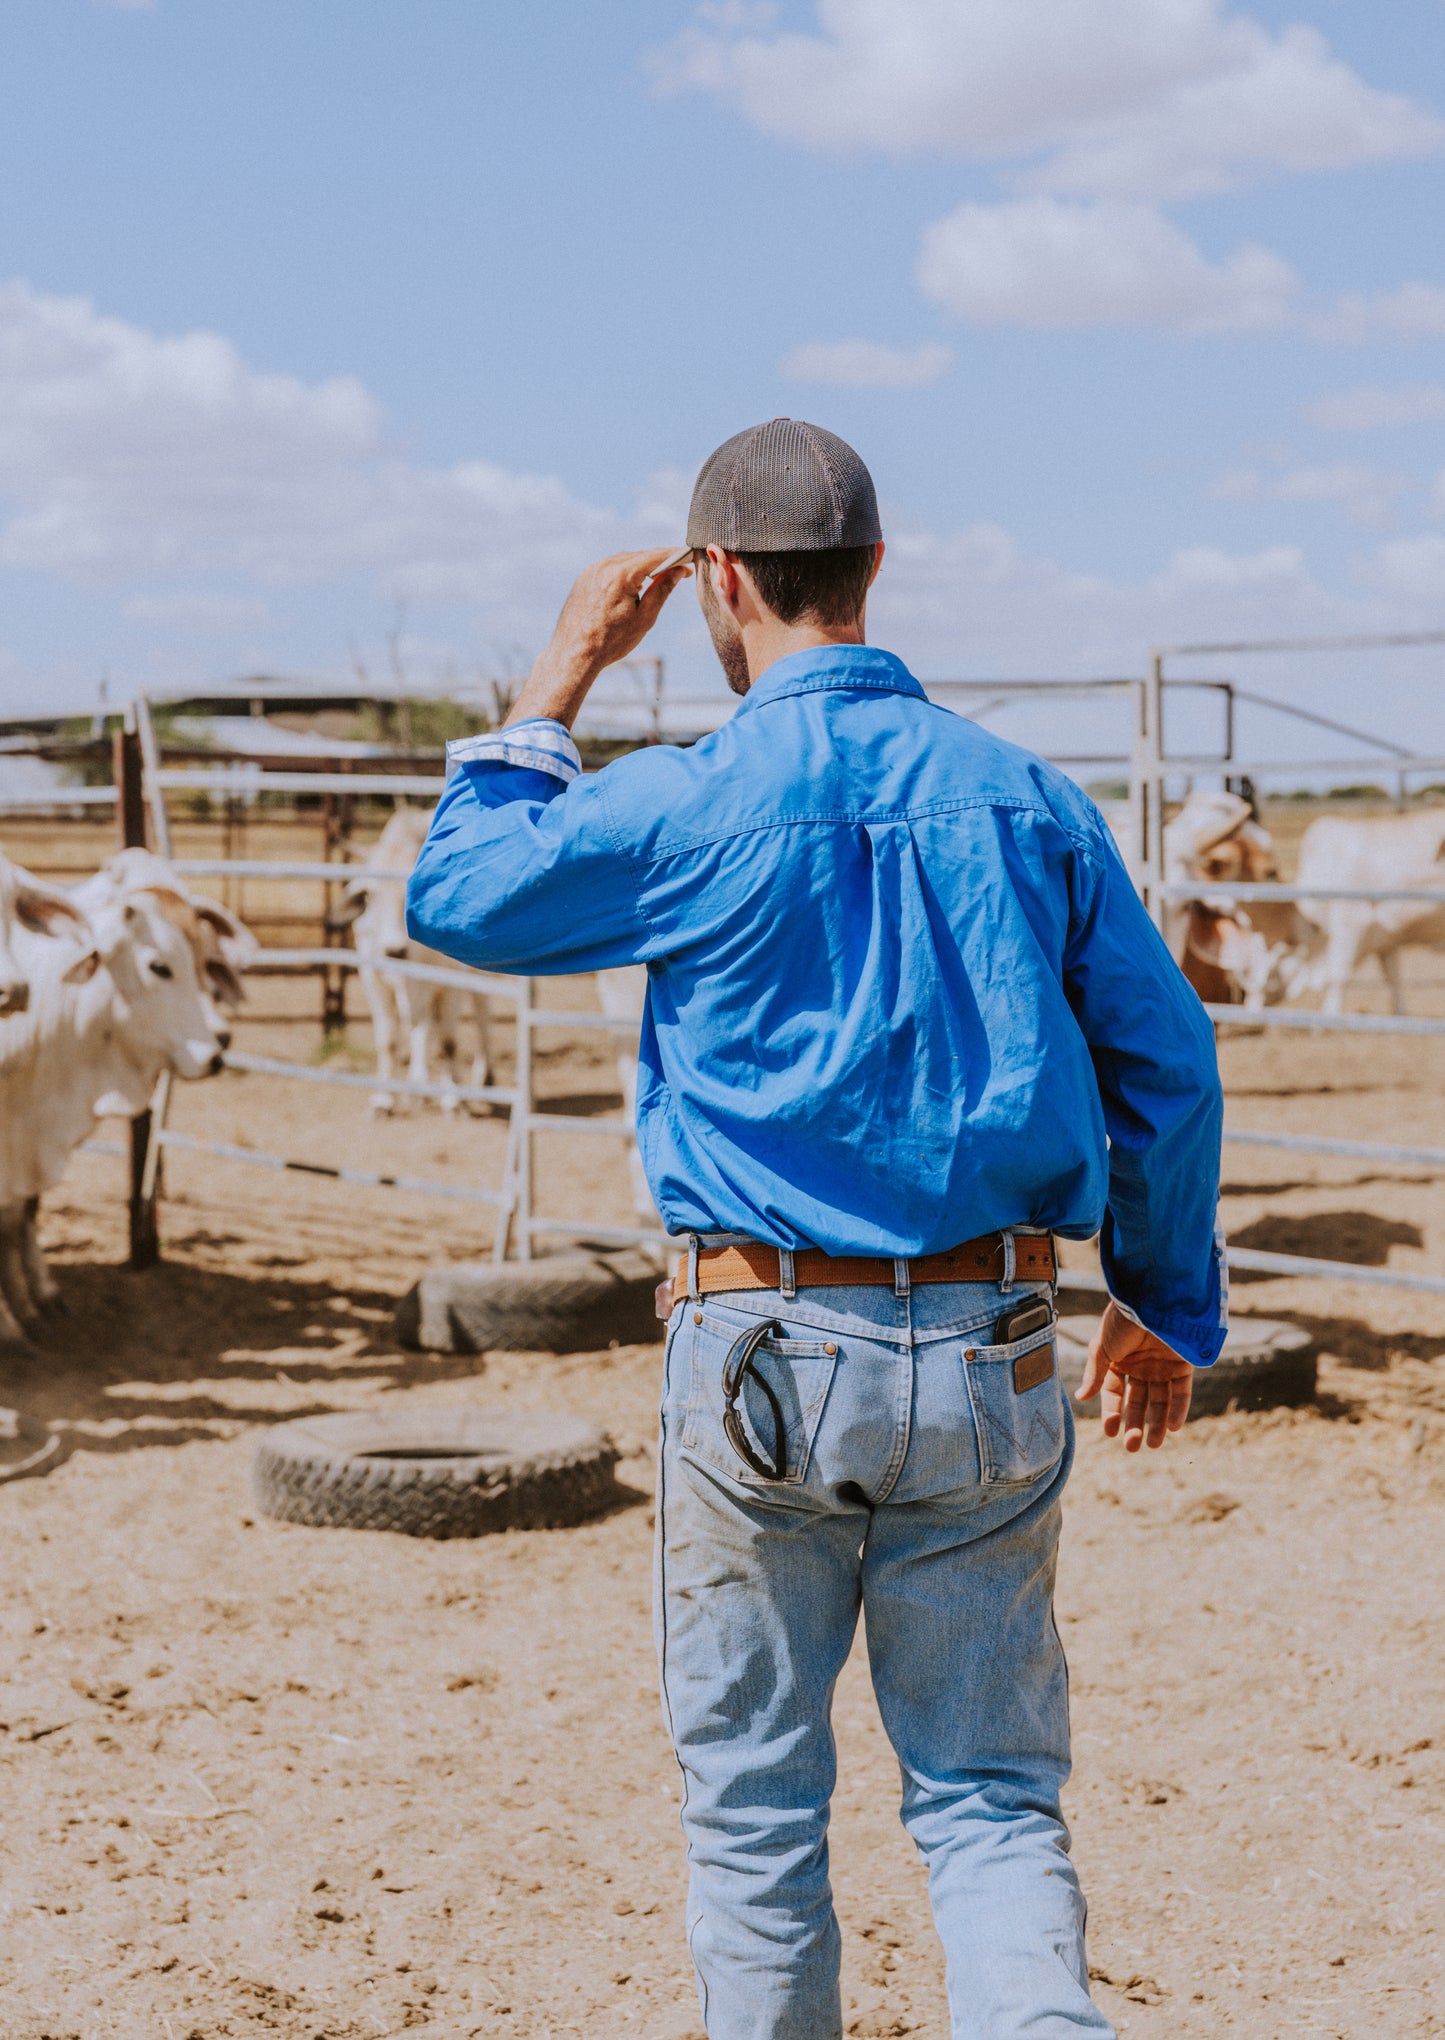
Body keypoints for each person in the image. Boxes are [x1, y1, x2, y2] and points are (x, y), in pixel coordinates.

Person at [407, 418, 1226, 2040]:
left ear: (717, 579)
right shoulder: (1022, 797)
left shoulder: (689, 799)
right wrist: (1161, 1300)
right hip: (998, 1344)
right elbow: (1167, 1061)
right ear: (868, 573)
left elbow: (462, 899)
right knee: (989, 1797)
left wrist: (556, 680)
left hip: (758, 1345)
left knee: (757, 1809)